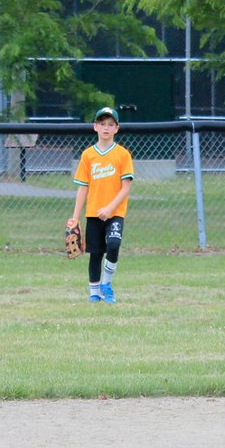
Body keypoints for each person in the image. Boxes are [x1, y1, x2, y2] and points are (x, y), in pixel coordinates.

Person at [67, 107, 134, 303]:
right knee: (95, 254)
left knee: (113, 245)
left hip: (115, 212)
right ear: (95, 127)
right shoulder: (88, 155)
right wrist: (75, 217)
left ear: (117, 129)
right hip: (93, 212)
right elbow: (83, 188)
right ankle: (95, 294)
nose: (106, 128)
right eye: (102, 124)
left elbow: (125, 188)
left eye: (110, 124)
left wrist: (110, 208)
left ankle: (106, 284)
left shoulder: (122, 154)